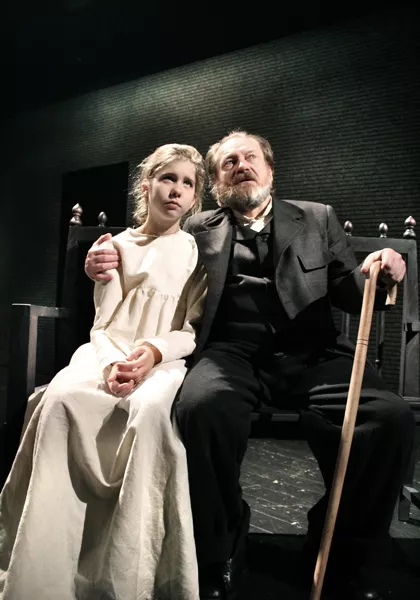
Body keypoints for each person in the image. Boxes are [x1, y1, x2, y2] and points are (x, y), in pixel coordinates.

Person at [85, 130, 414, 600]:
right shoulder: (197, 227)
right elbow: (149, 249)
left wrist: (385, 275)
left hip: (315, 353)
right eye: (229, 162)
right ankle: (221, 548)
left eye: (250, 157)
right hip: (230, 354)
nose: (242, 165)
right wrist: (103, 258)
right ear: (217, 183)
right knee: (202, 409)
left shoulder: (316, 218)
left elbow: (351, 291)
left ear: (270, 169)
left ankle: (344, 549)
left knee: (389, 419)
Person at [0, 143, 208, 600]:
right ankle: (45, 564)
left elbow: (192, 327)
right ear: (146, 186)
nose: (176, 190)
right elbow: (105, 323)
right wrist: (114, 363)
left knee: (149, 412)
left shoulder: (198, 252)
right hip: (107, 351)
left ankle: (129, 572)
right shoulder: (115, 247)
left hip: (164, 359)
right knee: (59, 400)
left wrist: (153, 352)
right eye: (167, 178)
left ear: (196, 197)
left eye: (187, 183)